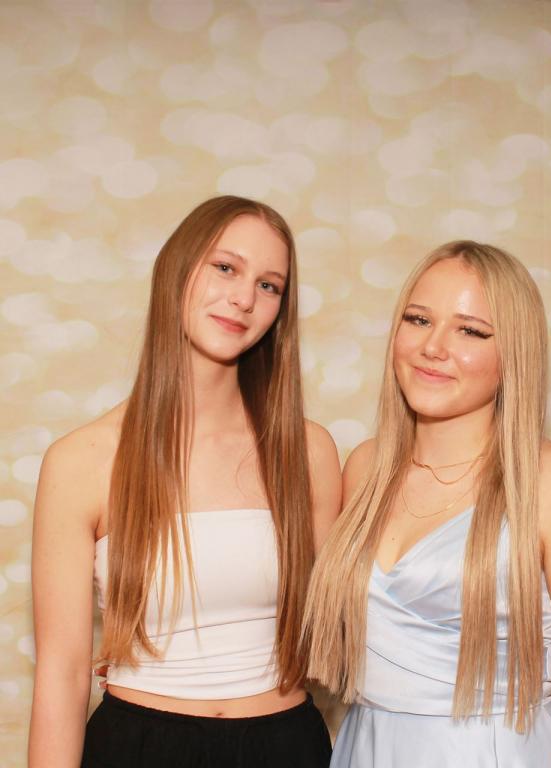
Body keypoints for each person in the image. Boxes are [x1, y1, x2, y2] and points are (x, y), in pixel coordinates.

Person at [29, 196, 342, 768]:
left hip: (286, 746)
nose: (244, 298)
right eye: (225, 267)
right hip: (138, 748)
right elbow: (63, 672)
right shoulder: (80, 461)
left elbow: (343, 636)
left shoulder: (308, 451)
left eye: (269, 285)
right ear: (176, 270)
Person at [303, 241, 551, 767]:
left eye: (471, 331)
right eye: (418, 320)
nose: (433, 347)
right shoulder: (365, 468)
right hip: (364, 749)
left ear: (514, 355)